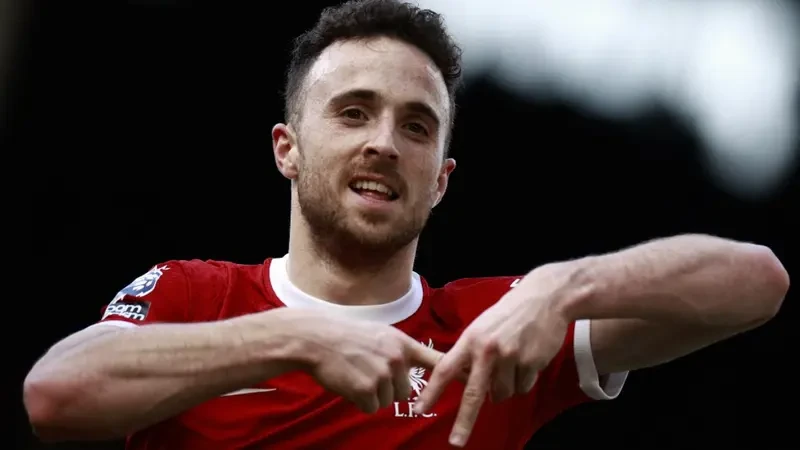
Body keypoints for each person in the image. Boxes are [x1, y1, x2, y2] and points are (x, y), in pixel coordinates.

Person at [23, 0, 790, 448]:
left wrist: (561, 288)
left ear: (442, 180)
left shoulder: (488, 329)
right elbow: (53, 396)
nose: (385, 143)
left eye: (417, 126)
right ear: (287, 149)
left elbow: (756, 281)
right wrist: (298, 339)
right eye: (353, 112)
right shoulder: (192, 295)